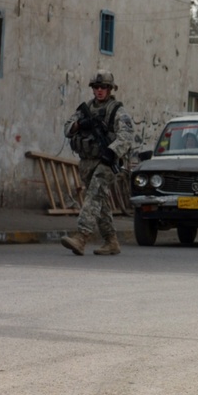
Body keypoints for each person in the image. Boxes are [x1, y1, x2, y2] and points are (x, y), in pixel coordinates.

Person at [61, 70, 134, 256]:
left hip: (106, 161)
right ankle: (111, 241)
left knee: (93, 196)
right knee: (99, 202)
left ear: (110, 89)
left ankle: (81, 237)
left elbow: (126, 135)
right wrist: (80, 124)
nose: (100, 90)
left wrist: (112, 151)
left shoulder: (116, 110)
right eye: (97, 87)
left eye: (104, 87)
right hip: (87, 161)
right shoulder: (85, 108)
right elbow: (68, 128)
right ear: (93, 89)